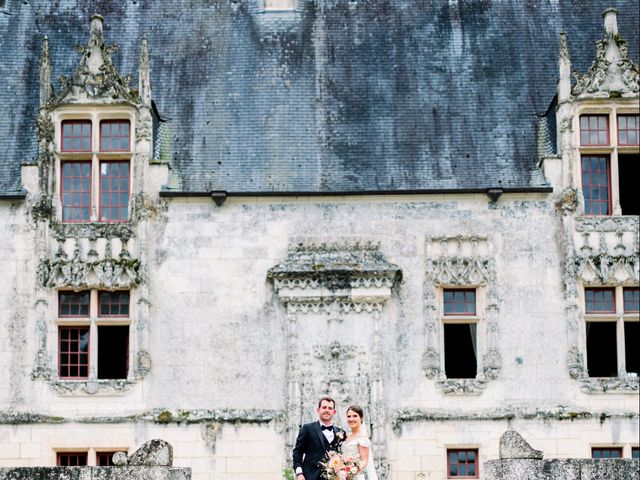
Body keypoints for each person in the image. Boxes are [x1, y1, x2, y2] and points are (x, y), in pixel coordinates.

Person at [292, 396, 346, 480]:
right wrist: (299, 473)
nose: (327, 410)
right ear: (318, 410)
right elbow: (297, 452)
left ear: (334, 412)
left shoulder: (341, 432)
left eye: (330, 408)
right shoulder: (307, 428)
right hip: (310, 476)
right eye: (324, 407)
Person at [343, 405, 378, 480]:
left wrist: (350, 473)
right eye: (349, 416)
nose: (351, 419)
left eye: (355, 416)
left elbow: (364, 461)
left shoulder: (362, 438)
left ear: (361, 418)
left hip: (355, 476)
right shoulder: (346, 436)